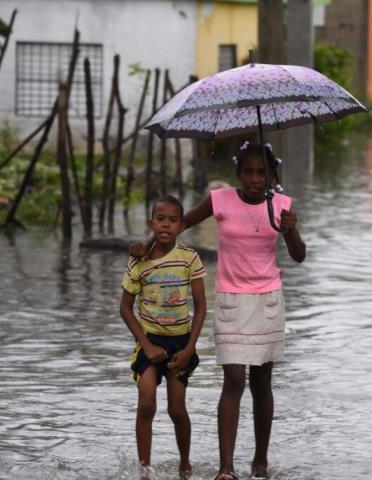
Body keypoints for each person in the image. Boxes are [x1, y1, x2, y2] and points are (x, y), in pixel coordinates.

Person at [130, 142, 306, 480]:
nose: (255, 179)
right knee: (235, 380)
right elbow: (177, 226)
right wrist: (147, 247)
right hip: (230, 300)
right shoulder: (220, 199)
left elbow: (298, 255)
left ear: (273, 176)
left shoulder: (281, 206)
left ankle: (260, 461)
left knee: (262, 382)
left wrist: (290, 228)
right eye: (248, 172)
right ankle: (226, 469)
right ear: (237, 173)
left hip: (267, 300)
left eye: (262, 173)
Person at [119, 195, 207, 480]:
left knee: (177, 410)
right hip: (149, 341)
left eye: (172, 220)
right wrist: (146, 344)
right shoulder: (138, 263)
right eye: (160, 219)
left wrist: (190, 348)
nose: (165, 225)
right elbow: (124, 308)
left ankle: (184, 464)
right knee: (146, 404)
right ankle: (144, 470)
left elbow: (201, 306)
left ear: (181, 226)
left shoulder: (189, 258)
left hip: (180, 343)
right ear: (150, 223)